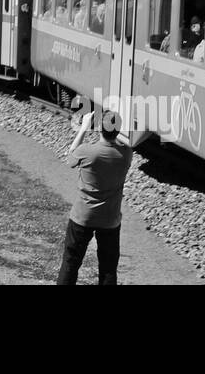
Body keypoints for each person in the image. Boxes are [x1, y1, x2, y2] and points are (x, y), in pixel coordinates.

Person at [57, 109, 133, 285]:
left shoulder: (87, 152)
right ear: (118, 130)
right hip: (110, 220)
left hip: (82, 217)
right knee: (108, 268)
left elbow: (70, 158)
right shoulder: (126, 154)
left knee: (70, 263)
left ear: (99, 128)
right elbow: (120, 142)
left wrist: (83, 128)